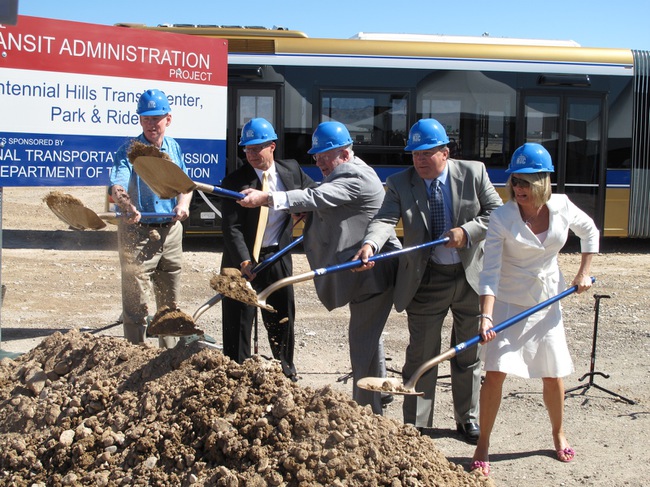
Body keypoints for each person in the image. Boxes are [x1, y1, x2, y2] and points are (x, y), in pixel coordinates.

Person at [354, 118, 502, 442]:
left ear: (445, 153)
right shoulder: (399, 183)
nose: (419, 160)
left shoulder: (473, 174)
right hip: (426, 279)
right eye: (414, 154)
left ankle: (467, 419)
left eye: (426, 153)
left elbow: (497, 214)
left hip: (469, 279)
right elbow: (383, 220)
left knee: (467, 354)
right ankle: (418, 425)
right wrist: (370, 245)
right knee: (421, 355)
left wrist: (467, 232)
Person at [238, 121, 401, 414]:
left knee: (361, 339)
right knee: (368, 334)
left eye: (325, 156)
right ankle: (381, 389)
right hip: (365, 272)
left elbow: (317, 196)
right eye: (316, 157)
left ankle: (365, 410)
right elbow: (323, 198)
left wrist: (268, 198)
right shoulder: (348, 169)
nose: (319, 162)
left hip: (374, 272)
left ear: (345, 153)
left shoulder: (354, 175)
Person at [469, 143, 599, 476]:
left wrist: (582, 272)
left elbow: (590, 232)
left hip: (546, 301)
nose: (518, 189)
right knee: (494, 373)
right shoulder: (502, 217)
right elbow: (491, 270)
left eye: (526, 183)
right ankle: (484, 442)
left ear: (543, 182)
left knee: (552, 373)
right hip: (508, 302)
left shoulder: (562, 206)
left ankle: (558, 433)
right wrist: (485, 315)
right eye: (515, 181)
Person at [220, 118, 315, 381]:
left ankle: (285, 372)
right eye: (246, 149)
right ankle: (236, 374)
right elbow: (231, 228)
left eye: (256, 149)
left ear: (272, 146)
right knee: (238, 321)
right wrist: (243, 262)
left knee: (281, 317)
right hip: (242, 262)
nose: (250, 155)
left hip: (277, 257)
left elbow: (314, 196)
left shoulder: (292, 171)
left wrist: (306, 212)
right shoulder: (233, 181)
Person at [109, 89, 192, 349]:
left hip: (170, 230)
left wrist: (182, 205)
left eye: (156, 119)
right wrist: (126, 204)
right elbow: (118, 186)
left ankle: (168, 354)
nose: (151, 124)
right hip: (138, 231)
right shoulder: (130, 150)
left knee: (169, 295)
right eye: (145, 119)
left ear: (168, 119)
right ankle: (134, 352)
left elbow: (185, 186)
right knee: (135, 296)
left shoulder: (174, 147)